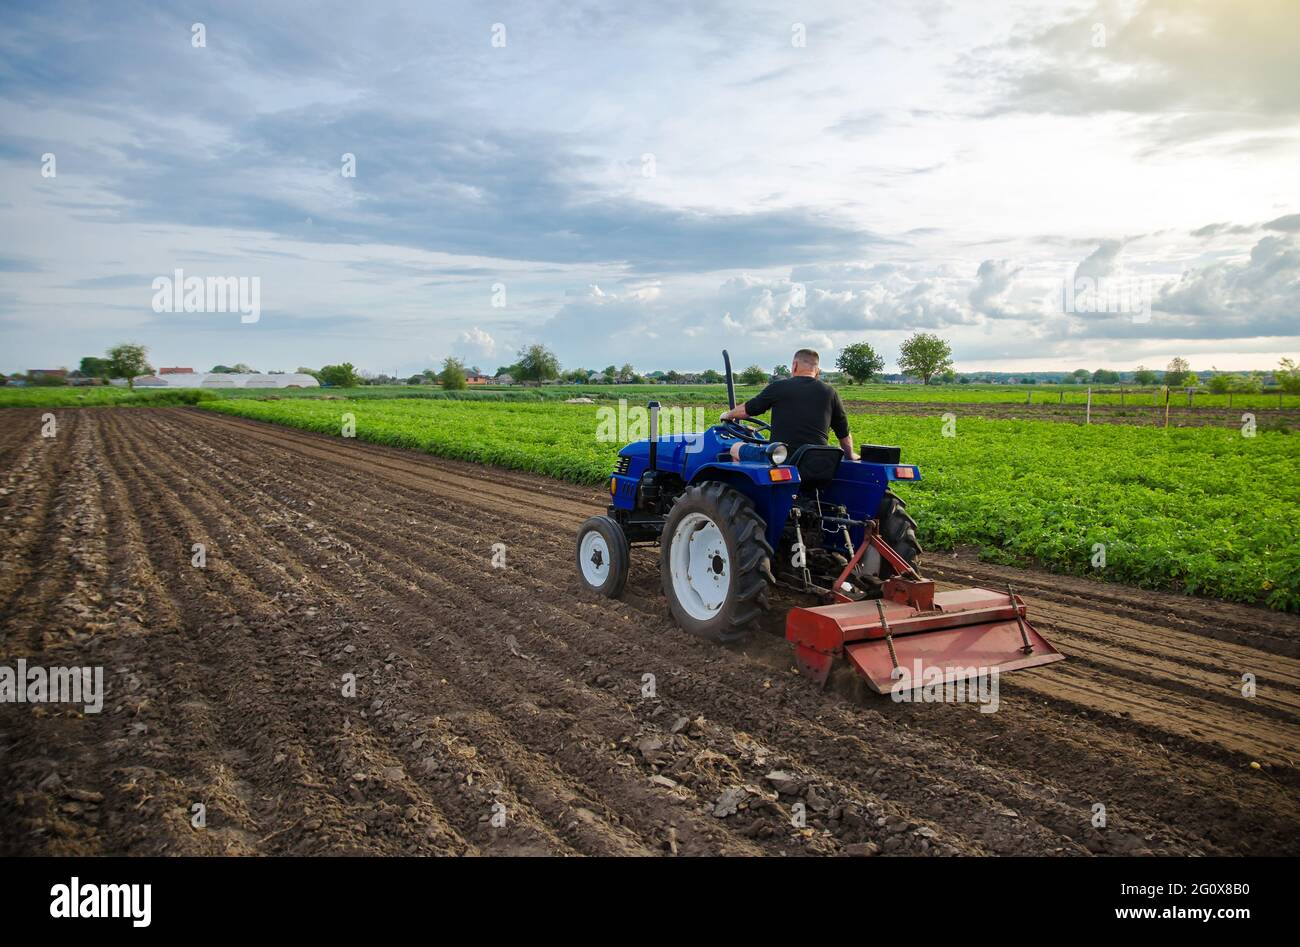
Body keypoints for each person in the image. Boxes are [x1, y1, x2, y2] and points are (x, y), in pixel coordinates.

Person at [720, 349, 857, 460]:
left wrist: (728, 415)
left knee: (735, 448)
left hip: (781, 458)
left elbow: (747, 410)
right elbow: (843, 433)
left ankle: (746, 493)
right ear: (817, 371)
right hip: (816, 461)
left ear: (795, 365)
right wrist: (850, 455)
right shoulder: (830, 392)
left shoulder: (779, 387)